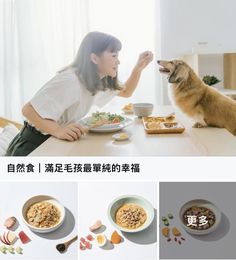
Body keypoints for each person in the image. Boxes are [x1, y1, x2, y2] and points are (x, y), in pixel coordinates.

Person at [6, 31, 153, 156]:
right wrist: (58, 130)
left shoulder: (97, 80)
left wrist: (138, 68)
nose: (118, 62)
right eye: (114, 55)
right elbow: (28, 109)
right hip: (32, 147)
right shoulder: (70, 80)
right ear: (94, 58)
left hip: (54, 142)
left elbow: (126, 91)